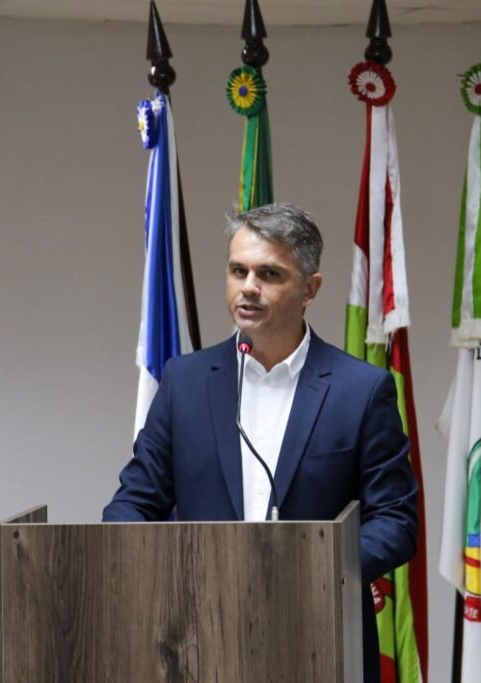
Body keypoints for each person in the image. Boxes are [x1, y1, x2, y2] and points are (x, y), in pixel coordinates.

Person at [103, 202, 418, 683]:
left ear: (310, 289)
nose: (248, 287)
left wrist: (315, 567)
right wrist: (162, 573)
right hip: (198, 637)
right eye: (238, 271)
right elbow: (132, 504)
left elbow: (395, 521)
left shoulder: (360, 389)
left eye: (269, 274)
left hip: (321, 636)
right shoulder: (185, 382)